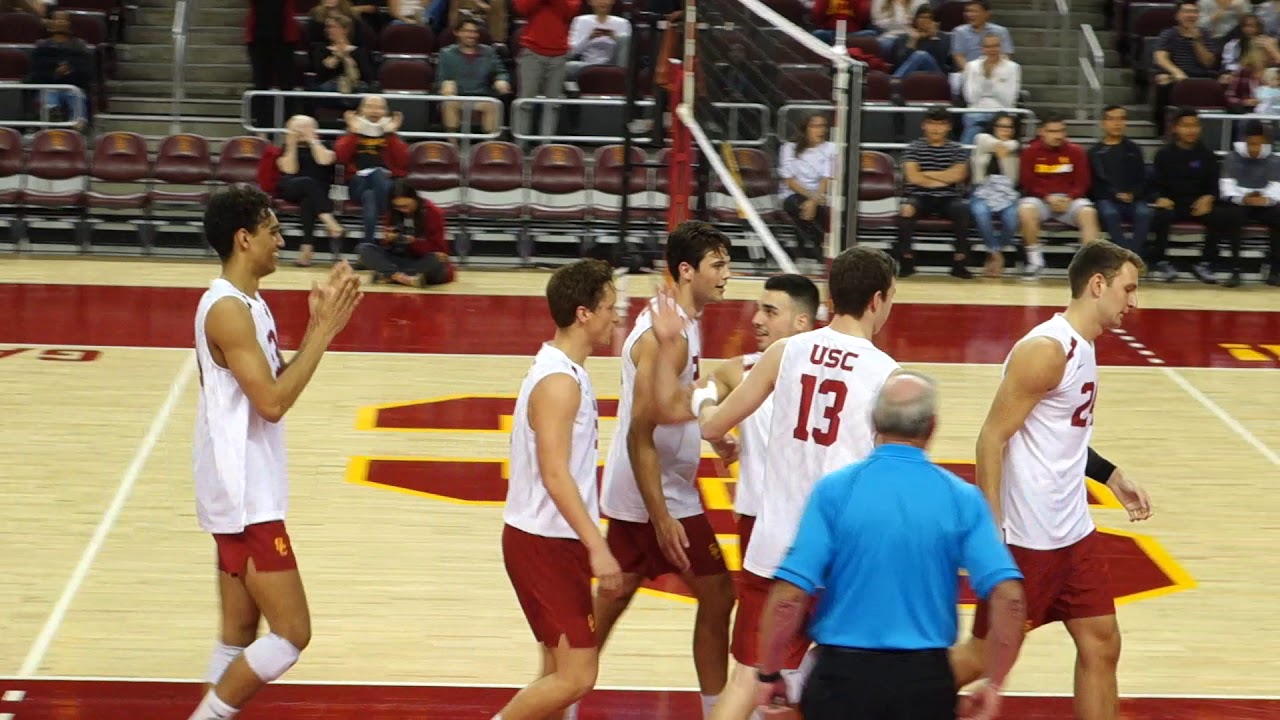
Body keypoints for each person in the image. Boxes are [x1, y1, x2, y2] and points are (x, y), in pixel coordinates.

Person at [651, 246, 903, 720]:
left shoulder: (786, 352)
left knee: (748, 675)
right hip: (839, 561)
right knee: (849, 683)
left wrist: (706, 401)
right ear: (877, 300)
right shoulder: (888, 375)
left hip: (774, 549)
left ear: (830, 296)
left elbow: (710, 426)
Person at [950, 241, 1156, 720]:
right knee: (981, 658)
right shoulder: (1046, 350)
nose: (1135, 302)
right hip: (1027, 539)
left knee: (1101, 642)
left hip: (1073, 533)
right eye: (1129, 289)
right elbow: (990, 440)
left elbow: (1061, 436)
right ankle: (878, 693)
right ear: (1097, 285)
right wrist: (991, 532)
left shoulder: (1083, 346)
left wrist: (1111, 474)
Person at [754, 373, 1027, 720]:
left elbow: (788, 598)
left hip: (840, 682)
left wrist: (769, 672)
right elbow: (1011, 598)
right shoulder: (961, 498)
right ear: (931, 427)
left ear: (874, 422)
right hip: (924, 685)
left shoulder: (834, 492)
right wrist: (994, 683)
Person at [187, 186, 363, 720]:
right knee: (292, 633)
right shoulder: (227, 311)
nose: (282, 241)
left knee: (239, 633)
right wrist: (325, 333)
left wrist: (315, 327)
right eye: (273, 231)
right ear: (245, 239)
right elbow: (272, 403)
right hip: (244, 496)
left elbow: (272, 381)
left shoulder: (250, 304)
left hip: (239, 488)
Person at [587, 221, 736, 720]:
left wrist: (712, 435)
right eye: (717, 265)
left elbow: (674, 413)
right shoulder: (661, 333)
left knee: (610, 602)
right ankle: (719, 709)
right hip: (658, 496)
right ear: (687, 270)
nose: (726, 275)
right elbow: (643, 428)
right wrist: (661, 514)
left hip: (653, 491)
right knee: (718, 595)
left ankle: (559, 693)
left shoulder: (682, 321)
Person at [492, 259, 624, 720]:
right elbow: (555, 474)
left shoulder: (567, 371)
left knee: (556, 671)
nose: (617, 315)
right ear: (584, 314)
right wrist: (598, 546)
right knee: (578, 675)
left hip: (548, 539)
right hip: (543, 543)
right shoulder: (558, 382)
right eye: (610, 306)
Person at [697, 274, 820, 562]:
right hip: (759, 518)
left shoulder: (834, 374)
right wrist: (710, 417)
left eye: (770, 312)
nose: (756, 319)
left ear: (801, 322)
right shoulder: (743, 369)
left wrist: (711, 421)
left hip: (810, 520)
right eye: (759, 309)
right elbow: (702, 390)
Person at [1147, 107, 1225, 284]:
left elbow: (1214, 187)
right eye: (1185, 126)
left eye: (1195, 125)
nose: (1191, 130)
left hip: (1197, 205)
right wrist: (1159, 198)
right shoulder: (1163, 155)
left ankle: (1206, 262)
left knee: (1220, 216)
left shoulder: (1208, 155)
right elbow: (1152, 186)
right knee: (1160, 216)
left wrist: (1209, 197)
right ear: (1175, 128)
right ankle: (1160, 261)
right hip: (1172, 204)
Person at [1017, 112, 1099, 280]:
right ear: (1042, 132)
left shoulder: (1076, 152)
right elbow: (1028, 183)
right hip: (1042, 200)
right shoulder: (1030, 152)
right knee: (1025, 210)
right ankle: (1035, 262)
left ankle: (1087, 268)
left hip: (1070, 200)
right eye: (1053, 131)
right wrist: (1048, 197)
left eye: (1061, 131)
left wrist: (1069, 197)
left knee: (1089, 213)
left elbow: (1083, 183)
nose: (1058, 135)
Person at [257, 115, 346, 266]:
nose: (300, 131)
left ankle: (306, 251)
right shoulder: (284, 148)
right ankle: (329, 222)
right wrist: (291, 145)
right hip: (291, 187)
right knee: (308, 183)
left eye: (305, 127)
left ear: (315, 130)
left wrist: (313, 141)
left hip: (318, 193)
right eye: (296, 128)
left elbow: (325, 161)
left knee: (308, 201)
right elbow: (290, 170)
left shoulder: (326, 146)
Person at [896, 107, 973, 279]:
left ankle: (960, 262)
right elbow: (913, 177)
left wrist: (926, 173)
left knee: (964, 209)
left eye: (941, 124)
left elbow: (959, 175)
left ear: (949, 127)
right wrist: (944, 176)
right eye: (931, 123)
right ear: (924, 125)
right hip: (919, 196)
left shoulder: (957, 149)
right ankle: (906, 260)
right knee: (906, 209)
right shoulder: (914, 147)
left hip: (949, 197)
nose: (936, 128)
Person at [1214, 119, 1280, 287]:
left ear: (1264, 143)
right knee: (1233, 215)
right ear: (1244, 141)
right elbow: (1226, 188)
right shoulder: (1232, 158)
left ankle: (1274, 270)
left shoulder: (1273, 160)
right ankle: (1235, 269)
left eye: (1258, 144)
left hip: (1264, 203)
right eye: (1251, 144)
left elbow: (1277, 187)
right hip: (1240, 203)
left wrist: (1265, 199)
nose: (1254, 149)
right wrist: (1244, 198)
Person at [357, 179, 456, 287]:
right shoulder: (393, 213)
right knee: (364, 249)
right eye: (398, 207)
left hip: (422, 260)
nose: (404, 210)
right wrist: (389, 239)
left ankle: (390, 274)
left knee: (437, 262)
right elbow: (387, 247)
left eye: (406, 206)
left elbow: (440, 252)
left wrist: (412, 242)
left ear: (415, 199)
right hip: (400, 259)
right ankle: (402, 277)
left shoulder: (432, 212)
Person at [1087, 105, 1151, 257]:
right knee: (1110, 214)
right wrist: (1115, 195)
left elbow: (1142, 178)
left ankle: (1131, 256)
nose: (1117, 123)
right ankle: (1127, 257)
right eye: (1112, 119)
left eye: (1121, 119)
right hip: (1107, 199)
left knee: (1144, 213)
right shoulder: (1094, 152)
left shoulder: (1134, 149)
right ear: (1103, 123)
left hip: (1134, 198)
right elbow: (1094, 185)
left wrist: (1133, 194)